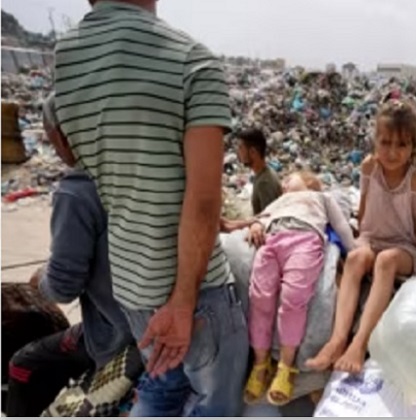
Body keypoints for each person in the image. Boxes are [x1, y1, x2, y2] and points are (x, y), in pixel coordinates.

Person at [53, 1, 249, 416]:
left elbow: (85, 159)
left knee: (162, 386)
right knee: (215, 404)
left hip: (131, 286)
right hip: (194, 292)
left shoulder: (66, 59)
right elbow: (203, 200)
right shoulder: (191, 60)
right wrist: (181, 302)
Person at [6, 93, 134, 416]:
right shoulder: (138, 173)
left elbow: (63, 287)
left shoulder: (77, 191)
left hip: (117, 333)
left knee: (24, 363)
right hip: (151, 318)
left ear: (63, 136)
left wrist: (41, 279)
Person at [306, 99, 416, 374]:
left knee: (385, 261)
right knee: (355, 259)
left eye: (402, 145)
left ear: (413, 147)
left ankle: (359, 343)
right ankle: (337, 340)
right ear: (375, 140)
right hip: (371, 239)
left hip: (403, 248)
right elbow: (364, 205)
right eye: (385, 142)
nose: (392, 152)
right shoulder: (368, 167)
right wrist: (358, 236)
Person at [243, 171, 355, 405]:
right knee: (259, 296)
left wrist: (353, 251)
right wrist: (255, 225)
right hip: (272, 241)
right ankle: (261, 363)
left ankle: (286, 365)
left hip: (305, 239)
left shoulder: (322, 198)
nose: (283, 183)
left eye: (290, 179)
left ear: (310, 182)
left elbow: (341, 225)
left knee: (293, 298)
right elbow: (261, 218)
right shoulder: (280, 201)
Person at [220, 129, 283, 232]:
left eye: (241, 148)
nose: (238, 152)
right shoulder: (262, 174)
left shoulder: (265, 182)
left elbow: (268, 220)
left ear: (253, 152)